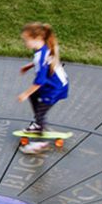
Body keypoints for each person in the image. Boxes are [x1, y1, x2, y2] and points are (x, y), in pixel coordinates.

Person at [17, 22, 70, 154]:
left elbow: (39, 82)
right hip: (54, 84)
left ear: (37, 38)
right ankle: (38, 125)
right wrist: (29, 66)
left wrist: (25, 94)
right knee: (34, 96)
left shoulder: (41, 56)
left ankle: (40, 142)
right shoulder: (43, 47)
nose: (25, 43)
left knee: (41, 111)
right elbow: (42, 62)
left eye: (26, 40)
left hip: (54, 89)